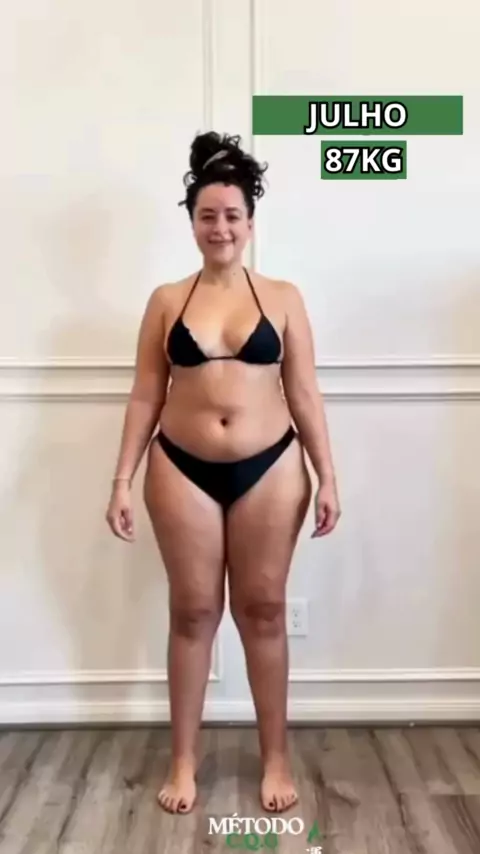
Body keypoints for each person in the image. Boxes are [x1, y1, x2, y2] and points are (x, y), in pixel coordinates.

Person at [105, 131, 341, 815]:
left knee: (263, 610)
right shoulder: (166, 300)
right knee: (192, 611)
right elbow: (146, 394)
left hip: (273, 467)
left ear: (250, 222)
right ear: (192, 222)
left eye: (232, 215)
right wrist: (120, 479)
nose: (221, 227)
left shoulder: (284, 297)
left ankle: (276, 759)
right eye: (208, 215)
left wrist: (328, 475)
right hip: (181, 468)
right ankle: (183, 762)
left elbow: (304, 394)